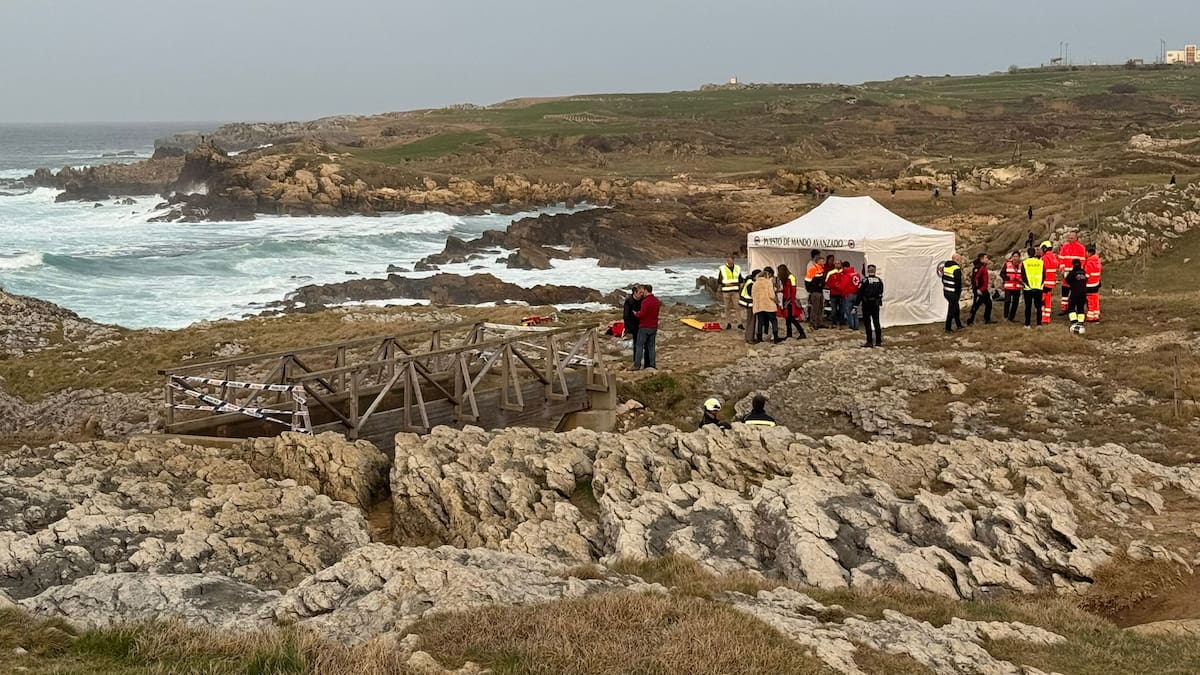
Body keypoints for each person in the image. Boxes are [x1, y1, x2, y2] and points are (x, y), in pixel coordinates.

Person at [1057, 231, 1087, 314]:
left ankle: (1076, 308)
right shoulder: (1065, 247)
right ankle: (1064, 308)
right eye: (1069, 237)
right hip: (1066, 273)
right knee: (1064, 292)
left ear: (1076, 238)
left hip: (1075, 274)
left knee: (1075, 292)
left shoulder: (1081, 248)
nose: (1070, 239)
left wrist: (1078, 271)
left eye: (1071, 238)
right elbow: (1060, 258)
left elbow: (1083, 261)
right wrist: (1062, 269)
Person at [752, 267, 783, 344]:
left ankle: (759, 338)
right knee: (773, 321)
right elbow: (771, 295)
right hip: (768, 306)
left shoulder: (755, 284)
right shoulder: (768, 282)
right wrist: (776, 301)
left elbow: (753, 295)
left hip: (759, 306)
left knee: (760, 322)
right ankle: (776, 337)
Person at [632, 284, 660, 370]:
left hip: (644, 326)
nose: (642, 292)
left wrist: (636, 314)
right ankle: (652, 364)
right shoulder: (656, 301)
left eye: (643, 290)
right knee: (651, 347)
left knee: (639, 346)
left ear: (646, 290)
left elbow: (642, 314)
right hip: (653, 326)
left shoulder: (645, 301)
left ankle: (637, 365)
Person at [777, 264, 806, 339]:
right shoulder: (786, 278)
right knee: (788, 319)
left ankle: (801, 333)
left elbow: (793, 289)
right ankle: (789, 334)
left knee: (792, 318)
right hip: (787, 299)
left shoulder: (791, 277)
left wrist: (791, 301)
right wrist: (781, 291)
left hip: (789, 301)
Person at [966, 253, 996, 325]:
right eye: (986, 258)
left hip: (984, 289)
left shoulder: (983, 266)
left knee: (989, 304)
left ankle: (987, 319)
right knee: (976, 305)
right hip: (980, 290)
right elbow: (975, 278)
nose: (987, 259)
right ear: (982, 259)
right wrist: (977, 289)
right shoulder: (979, 267)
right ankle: (970, 320)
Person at [859, 263, 884, 347]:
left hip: (866, 303)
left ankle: (869, 341)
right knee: (876, 322)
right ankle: (878, 341)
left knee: (867, 322)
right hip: (875, 303)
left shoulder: (864, 280)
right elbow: (881, 292)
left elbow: (860, 293)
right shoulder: (879, 280)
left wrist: (856, 305)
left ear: (867, 270)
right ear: (875, 271)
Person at [938, 254, 964, 332]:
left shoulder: (946, 267)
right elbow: (958, 282)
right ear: (957, 259)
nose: (961, 261)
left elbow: (942, 278)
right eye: (960, 259)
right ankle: (948, 328)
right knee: (952, 310)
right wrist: (958, 292)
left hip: (946, 291)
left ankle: (959, 325)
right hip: (953, 292)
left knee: (956, 308)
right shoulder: (956, 268)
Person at [717, 253, 742, 330]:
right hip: (726, 291)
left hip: (735, 291)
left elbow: (740, 279)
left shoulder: (737, 268)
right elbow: (720, 280)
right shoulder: (722, 268)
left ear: (733, 260)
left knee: (737, 307)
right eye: (728, 260)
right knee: (727, 308)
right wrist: (721, 287)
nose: (729, 262)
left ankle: (739, 323)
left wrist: (741, 286)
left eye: (730, 260)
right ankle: (728, 323)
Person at [1020, 246, 1044, 328]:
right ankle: (1039, 324)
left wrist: (1026, 284)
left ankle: (1027, 324)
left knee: (1028, 307)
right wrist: (1041, 284)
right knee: (1038, 307)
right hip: (1038, 287)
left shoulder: (1025, 263)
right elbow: (1044, 275)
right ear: (1035, 253)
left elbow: (1023, 275)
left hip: (1028, 288)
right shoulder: (1040, 262)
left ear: (1027, 253)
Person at [804, 250, 826, 329]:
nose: (824, 262)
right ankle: (813, 323)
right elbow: (807, 279)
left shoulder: (821, 270)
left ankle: (819, 322)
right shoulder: (813, 268)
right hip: (815, 291)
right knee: (815, 308)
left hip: (820, 290)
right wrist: (810, 289)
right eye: (822, 261)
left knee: (820, 307)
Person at [1039, 241, 1058, 325]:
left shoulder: (1044, 258)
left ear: (1044, 248)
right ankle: (1047, 317)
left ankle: (1043, 317)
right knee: (1048, 300)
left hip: (1044, 282)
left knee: (1042, 300)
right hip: (1051, 283)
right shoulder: (1054, 257)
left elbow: (1040, 271)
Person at [1065, 259, 1089, 327]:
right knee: (1080, 308)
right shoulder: (1083, 272)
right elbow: (1086, 280)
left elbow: (1067, 280)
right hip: (1083, 293)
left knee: (1071, 306)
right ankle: (1081, 321)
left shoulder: (1072, 273)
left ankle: (1074, 320)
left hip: (1075, 293)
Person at [839, 261, 861, 331]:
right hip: (856, 294)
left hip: (848, 295)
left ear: (843, 267)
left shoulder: (846, 275)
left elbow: (842, 286)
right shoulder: (857, 274)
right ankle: (856, 326)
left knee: (849, 312)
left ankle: (851, 327)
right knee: (855, 311)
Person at [622, 284, 641, 364]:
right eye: (640, 292)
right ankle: (636, 361)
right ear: (635, 293)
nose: (642, 294)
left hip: (641, 324)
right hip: (633, 325)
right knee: (636, 343)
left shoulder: (643, 300)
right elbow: (626, 316)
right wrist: (629, 327)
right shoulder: (629, 301)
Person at [1002, 251, 1023, 322]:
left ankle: (1011, 318)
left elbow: (1023, 275)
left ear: (1019, 257)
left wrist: (1021, 280)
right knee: (1007, 301)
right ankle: (1005, 316)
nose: (1015, 258)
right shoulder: (1007, 264)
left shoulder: (1021, 265)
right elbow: (1002, 274)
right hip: (1008, 286)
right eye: (1014, 256)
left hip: (1017, 287)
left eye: (1016, 256)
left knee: (1015, 303)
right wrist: (1008, 278)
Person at [740, 269, 759, 343]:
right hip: (750, 304)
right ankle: (750, 338)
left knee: (750, 321)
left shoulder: (749, 282)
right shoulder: (751, 283)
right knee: (751, 321)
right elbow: (751, 294)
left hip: (748, 304)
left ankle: (749, 337)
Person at [1085, 245, 1102, 322]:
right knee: (1095, 300)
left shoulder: (1089, 262)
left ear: (1089, 253)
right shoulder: (1097, 261)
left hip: (1089, 284)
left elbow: (1087, 275)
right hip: (1096, 283)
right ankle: (1096, 315)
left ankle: (1090, 317)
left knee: (1090, 301)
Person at [824, 254, 843, 326]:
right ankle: (834, 322)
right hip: (833, 294)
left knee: (842, 309)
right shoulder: (830, 273)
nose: (837, 265)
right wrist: (834, 286)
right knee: (834, 309)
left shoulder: (843, 272)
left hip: (841, 293)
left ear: (841, 264)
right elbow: (827, 282)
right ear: (834, 264)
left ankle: (841, 322)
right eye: (836, 263)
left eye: (839, 263)